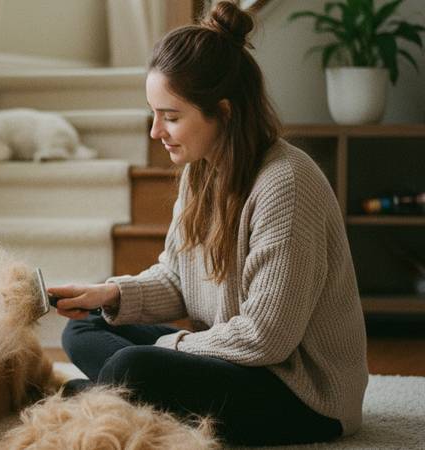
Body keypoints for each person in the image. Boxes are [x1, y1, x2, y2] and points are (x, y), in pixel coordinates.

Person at [49, 1, 368, 446]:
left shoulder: (287, 184)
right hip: (231, 360)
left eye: (171, 117)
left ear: (224, 112)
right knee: (85, 327)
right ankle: (114, 396)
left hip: (300, 391)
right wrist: (111, 295)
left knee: (130, 366)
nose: (155, 131)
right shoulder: (200, 171)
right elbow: (178, 278)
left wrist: (167, 348)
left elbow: (265, 339)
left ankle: (106, 395)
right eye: (154, 113)